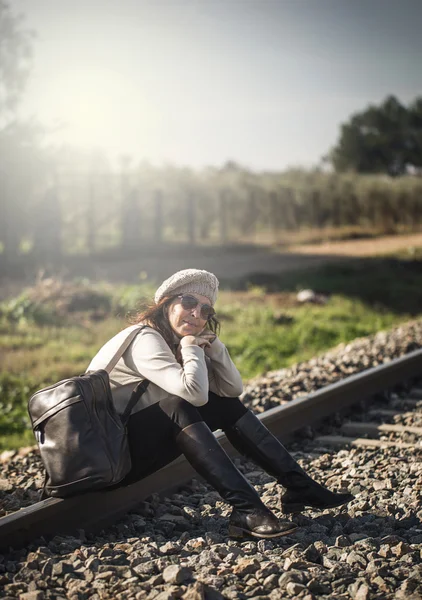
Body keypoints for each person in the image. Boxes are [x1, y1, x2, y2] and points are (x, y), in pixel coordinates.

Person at [88, 269, 353, 539]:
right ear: (167, 303)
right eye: (189, 303)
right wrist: (192, 346)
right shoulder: (146, 339)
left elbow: (231, 390)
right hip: (103, 457)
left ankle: (298, 486)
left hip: (122, 446)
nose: (196, 314)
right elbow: (194, 394)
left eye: (206, 311)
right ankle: (248, 509)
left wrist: (215, 348)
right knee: (177, 407)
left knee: (221, 405)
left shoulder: (171, 341)